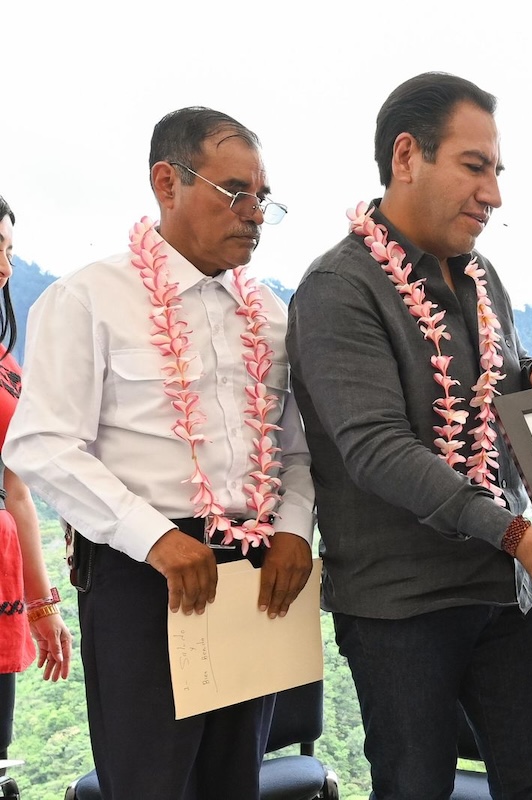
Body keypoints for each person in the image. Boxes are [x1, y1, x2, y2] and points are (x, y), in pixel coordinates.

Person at [287, 71, 532, 799]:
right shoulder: (339, 287)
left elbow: (475, 392)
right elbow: (378, 447)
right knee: (415, 787)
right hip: (402, 606)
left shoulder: (482, 276)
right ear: (405, 157)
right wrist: (516, 534)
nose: (493, 194)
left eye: (497, 172)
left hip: (504, 594)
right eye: (474, 167)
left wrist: (530, 377)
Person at [3, 108, 316, 799]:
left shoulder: (268, 312)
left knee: (235, 781)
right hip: (145, 576)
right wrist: (157, 540)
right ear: (166, 182)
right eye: (236, 192)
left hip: (254, 573)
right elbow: (41, 444)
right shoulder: (89, 298)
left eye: (264, 198)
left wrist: (295, 531)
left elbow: (296, 445)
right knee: (151, 783)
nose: (255, 214)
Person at [0, 195, 71, 772]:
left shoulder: (8, 366)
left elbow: (18, 489)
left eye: (9, 251)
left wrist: (44, 607)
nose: (5, 267)